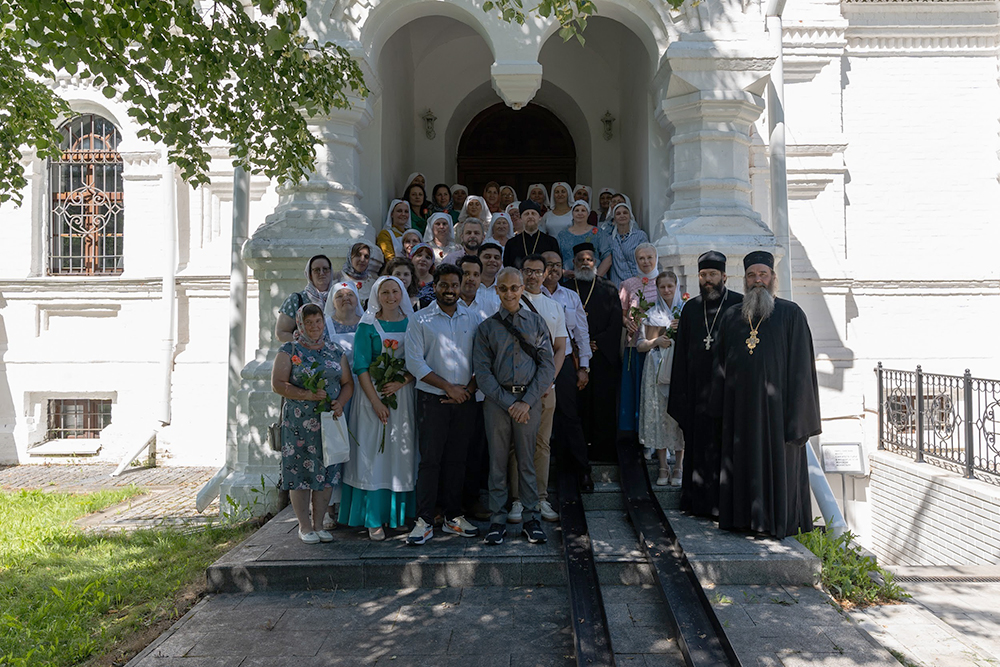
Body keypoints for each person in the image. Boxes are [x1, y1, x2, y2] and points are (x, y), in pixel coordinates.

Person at [712, 251, 821, 539]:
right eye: (751, 275)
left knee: (776, 468)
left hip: (778, 416)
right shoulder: (732, 317)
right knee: (742, 463)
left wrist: (798, 420)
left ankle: (775, 524)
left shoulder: (791, 314)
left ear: (772, 278)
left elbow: (802, 369)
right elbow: (720, 367)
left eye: (763, 274)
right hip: (739, 413)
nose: (757, 280)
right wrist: (718, 412)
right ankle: (741, 521)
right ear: (744, 280)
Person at [473, 268, 555, 546]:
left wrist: (526, 402)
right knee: (497, 462)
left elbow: (547, 366)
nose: (509, 293)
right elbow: (482, 374)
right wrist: (511, 404)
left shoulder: (536, 322)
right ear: (496, 290)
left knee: (527, 461)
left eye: (514, 288)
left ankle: (532, 518)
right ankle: (498, 519)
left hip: (529, 402)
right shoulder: (487, 328)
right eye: (503, 288)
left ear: (522, 289)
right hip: (498, 403)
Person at [404, 264, 481, 544]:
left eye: (454, 285)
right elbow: (414, 362)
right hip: (432, 400)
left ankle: (453, 517)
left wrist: (467, 390)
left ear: (461, 287)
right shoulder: (420, 320)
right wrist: (448, 387)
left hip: (465, 400)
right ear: (433, 286)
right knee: (430, 461)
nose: (450, 290)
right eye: (444, 285)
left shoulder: (473, 318)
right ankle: (424, 520)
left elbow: (482, 361)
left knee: (458, 460)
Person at [339, 276, 417, 541]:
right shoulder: (367, 324)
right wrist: (375, 401)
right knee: (373, 454)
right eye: (385, 292)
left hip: (402, 396)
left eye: (395, 291)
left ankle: (397, 515)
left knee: (400, 453)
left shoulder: (412, 322)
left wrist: (400, 381)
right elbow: (360, 364)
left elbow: (419, 360)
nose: (391, 296)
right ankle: (373, 518)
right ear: (376, 295)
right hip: (371, 396)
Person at [667, 250, 743, 518]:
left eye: (712, 274)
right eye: (703, 275)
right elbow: (681, 354)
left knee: (726, 451)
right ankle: (696, 503)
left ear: (724, 276)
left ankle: (726, 505)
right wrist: (679, 395)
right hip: (697, 394)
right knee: (698, 449)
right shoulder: (690, 308)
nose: (707, 279)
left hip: (728, 394)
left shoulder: (739, 305)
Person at [272, 304, 355, 543]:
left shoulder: (333, 349)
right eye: (309, 322)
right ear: (300, 324)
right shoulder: (290, 349)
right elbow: (278, 383)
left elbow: (347, 382)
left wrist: (340, 402)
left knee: (327, 473)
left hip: (329, 420)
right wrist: (307, 395)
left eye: (318, 321)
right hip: (299, 422)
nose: (315, 326)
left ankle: (319, 525)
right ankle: (304, 526)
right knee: (300, 473)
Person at [506, 254, 567, 523]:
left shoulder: (554, 307)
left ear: (546, 274)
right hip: (516, 387)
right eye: (527, 271)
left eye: (537, 271)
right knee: (516, 445)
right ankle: (518, 500)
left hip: (545, 388)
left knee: (542, 444)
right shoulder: (510, 306)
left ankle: (540, 498)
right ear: (521, 273)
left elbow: (561, 348)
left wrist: (547, 380)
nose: (532, 276)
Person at [541, 250, 594, 493]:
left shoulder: (571, 297)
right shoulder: (529, 295)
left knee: (569, 416)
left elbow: (582, 334)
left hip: (565, 363)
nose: (553, 269)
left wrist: (584, 366)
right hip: (537, 363)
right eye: (548, 265)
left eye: (557, 265)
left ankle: (582, 470)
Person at [568, 243, 622, 462]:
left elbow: (616, 321)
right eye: (580, 259)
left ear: (595, 263)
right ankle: (578, 451)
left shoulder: (609, 288)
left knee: (602, 404)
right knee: (577, 404)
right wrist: (579, 345)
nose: (584, 263)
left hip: (602, 357)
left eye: (589, 259)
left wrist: (596, 342)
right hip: (574, 358)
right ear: (573, 263)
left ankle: (603, 451)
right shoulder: (566, 289)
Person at [457, 254, 500, 520]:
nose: (470, 279)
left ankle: (472, 501)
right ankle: (446, 502)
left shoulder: (490, 305)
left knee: (475, 449)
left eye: (475, 274)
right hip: (448, 390)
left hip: (479, 391)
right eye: (466, 274)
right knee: (450, 449)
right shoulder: (442, 306)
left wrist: (475, 385)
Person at [637, 271, 684, 486]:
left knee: (677, 416)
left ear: (676, 286)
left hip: (678, 369)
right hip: (655, 369)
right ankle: (663, 466)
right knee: (659, 415)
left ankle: (679, 466)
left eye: (670, 286)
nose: (666, 290)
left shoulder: (685, 311)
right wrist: (657, 340)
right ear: (657, 288)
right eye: (662, 287)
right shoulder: (650, 313)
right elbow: (640, 345)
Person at [618, 243, 660, 431]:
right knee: (635, 392)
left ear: (656, 258)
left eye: (649, 257)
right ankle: (636, 433)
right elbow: (621, 313)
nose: (646, 262)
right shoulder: (628, 284)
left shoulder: (665, 281)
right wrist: (628, 323)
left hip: (659, 346)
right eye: (641, 258)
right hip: (635, 345)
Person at [276, 255, 333, 343]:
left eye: (325, 269)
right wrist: (306, 344)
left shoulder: (339, 298)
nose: (321, 273)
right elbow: (281, 333)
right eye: (317, 270)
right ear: (310, 274)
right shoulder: (297, 299)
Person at [599, 202, 650, 287]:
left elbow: (647, 259)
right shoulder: (609, 240)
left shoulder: (640, 236)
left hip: (637, 284)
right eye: (618, 214)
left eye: (625, 213)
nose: (622, 215)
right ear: (614, 218)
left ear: (630, 216)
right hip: (618, 286)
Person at [502, 200, 559, 269]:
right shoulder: (511, 244)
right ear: (521, 218)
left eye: (533, 213)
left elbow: (556, 266)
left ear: (539, 218)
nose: (530, 216)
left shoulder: (551, 242)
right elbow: (508, 268)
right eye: (526, 214)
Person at [557, 199, 604, 276]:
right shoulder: (562, 235)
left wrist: (598, 277)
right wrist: (563, 272)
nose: (580, 213)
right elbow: (556, 258)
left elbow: (607, 257)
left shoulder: (598, 233)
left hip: (594, 279)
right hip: (569, 279)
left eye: (583, 210)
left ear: (588, 213)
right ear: (572, 213)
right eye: (577, 210)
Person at [376, 199, 411, 263]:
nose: (403, 214)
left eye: (406, 211)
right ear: (392, 214)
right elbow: (390, 259)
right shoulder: (385, 234)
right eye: (399, 211)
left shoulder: (412, 234)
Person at [409, 243, 437, 308]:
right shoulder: (406, 280)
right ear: (411, 258)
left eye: (427, 257)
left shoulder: (437, 281)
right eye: (419, 255)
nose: (423, 259)